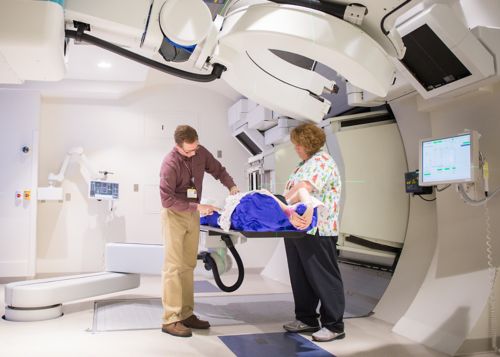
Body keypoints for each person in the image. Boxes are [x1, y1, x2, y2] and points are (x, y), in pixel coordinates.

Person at [159, 125, 239, 338]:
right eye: (188, 151)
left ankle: (186, 314)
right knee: (173, 267)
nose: (193, 153)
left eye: (195, 148)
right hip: (174, 215)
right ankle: (170, 319)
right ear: (178, 147)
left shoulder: (200, 152)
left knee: (188, 266)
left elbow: (218, 170)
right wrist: (198, 207)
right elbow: (166, 200)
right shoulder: (170, 163)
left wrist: (231, 186)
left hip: (193, 215)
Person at [282, 123, 345, 342]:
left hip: (319, 229)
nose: (296, 148)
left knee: (323, 277)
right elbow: (295, 190)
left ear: (307, 143)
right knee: (300, 277)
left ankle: (334, 325)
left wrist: (277, 205)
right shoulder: (303, 164)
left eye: (297, 144)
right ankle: (307, 319)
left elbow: (303, 190)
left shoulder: (322, 161)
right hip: (298, 229)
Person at [200, 188, 321, 232]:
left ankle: (202, 212)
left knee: (214, 215)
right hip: (250, 206)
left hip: (246, 211)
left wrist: (308, 209)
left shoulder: (292, 208)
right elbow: (302, 192)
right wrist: (308, 208)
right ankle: (202, 211)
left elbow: (303, 193)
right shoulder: (285, 203)